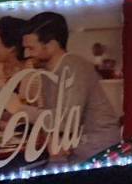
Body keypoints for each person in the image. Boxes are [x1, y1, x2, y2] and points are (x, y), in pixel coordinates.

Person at [22, 11, 120, 161]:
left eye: (31, 48)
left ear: (51, 44)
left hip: (98, 151)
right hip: (73, 149)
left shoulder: (74, 67)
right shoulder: (46, 73)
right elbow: (52, 119)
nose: (26, 54)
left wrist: (21, 110)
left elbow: (66, 121)